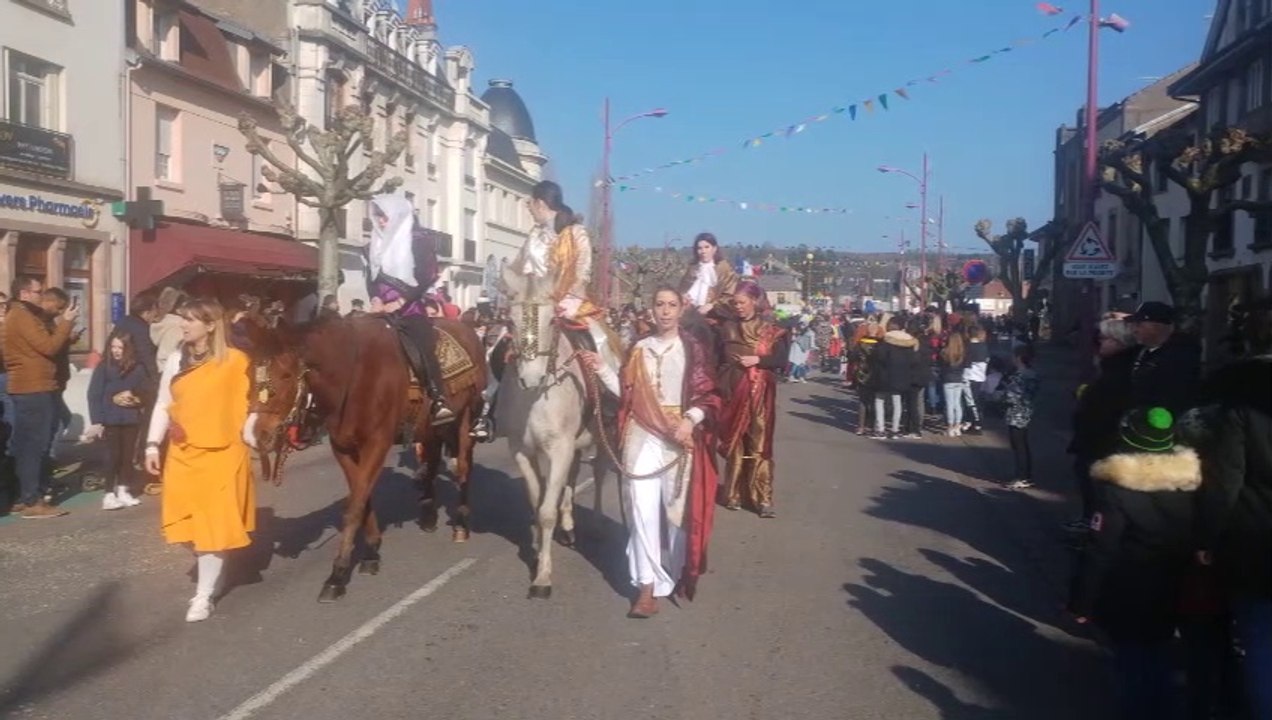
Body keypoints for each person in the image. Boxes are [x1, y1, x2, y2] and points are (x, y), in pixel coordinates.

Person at [581, 287, 722, 617]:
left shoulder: (692, 348)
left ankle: (670, 575)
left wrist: (690, 420)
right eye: (659, 304)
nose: (665, 311)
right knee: (641, 512)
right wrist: (602, 368)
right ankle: (646, 588)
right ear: (651, 309)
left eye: (672, 305)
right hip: (641, 435)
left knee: (676, 516)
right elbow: (626, 395)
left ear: (681, 309)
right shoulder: (639, 349)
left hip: (678, 437)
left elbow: (710, 396)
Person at [1068, 407, 1202, 720]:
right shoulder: (1190, 483)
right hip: (1174, 583)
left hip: (1129, 588)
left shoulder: (1117, 490)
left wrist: (1081, 602)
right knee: (1160, 651)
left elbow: (1100, 550)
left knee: (1131, 659)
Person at [144, 298, 257, 622]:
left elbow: (254, 402)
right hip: (183, 453)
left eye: (190, 320)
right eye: (183, 319)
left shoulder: (236, 360)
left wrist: (250, 427)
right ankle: (213, 564)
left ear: (211, 325)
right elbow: (163, 403)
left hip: (223, 454)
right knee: (187, 526)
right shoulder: (178, 359)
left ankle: (203, 595)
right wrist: (152, 445)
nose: (183, 325)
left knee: (212, 526)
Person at [1196, 297, 1272, 719]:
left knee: (1260, 639)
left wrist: (1206, 538)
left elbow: (1226, 479)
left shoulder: (1236, 390)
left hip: (1256, 538)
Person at [366, 192, 456, 427]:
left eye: (384, 216)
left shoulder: (418, 240)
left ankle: (438, 398)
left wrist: (400, 301)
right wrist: (375, 298)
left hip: (410, 307)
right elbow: (371, 278)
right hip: (381, 309)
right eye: (377, 217)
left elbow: (426, 276)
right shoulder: (373, 244)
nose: (380, 222)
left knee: (422, 345)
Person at [514, 181, 617, 369]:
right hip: (534, 308)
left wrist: (566, 301)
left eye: (531, 204)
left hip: (569, 304)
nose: (529, 208)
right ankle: (496, 392)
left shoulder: (577, 233)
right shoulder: (533, 236)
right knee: (504, 345)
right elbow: (523, 272)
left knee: (599, 340)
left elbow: (582, 271)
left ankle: (608, 388)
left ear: (540, 203)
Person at [3, 276, 77, 518]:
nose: (41, 295)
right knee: (34, 445)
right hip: (32, 388)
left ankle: (25, 495)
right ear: (24, 293)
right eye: (37, 291)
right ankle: (32, 500)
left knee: (27, 445)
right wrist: (66, 323)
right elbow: (48, 347)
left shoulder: (21, 315)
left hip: (31, 386)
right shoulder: (22, 316)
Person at [717, 280, 788, 518]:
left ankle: (761, 497)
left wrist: (758, 360)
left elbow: (781, 359)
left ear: (755, 302)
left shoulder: (770, 330)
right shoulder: (726, 327)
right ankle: (734, 493)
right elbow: (717, 358)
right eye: (735, 303)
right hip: (732, 390)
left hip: (760, 393)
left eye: (742, 302)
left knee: (758, 443)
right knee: (736, 442)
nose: (738, 307)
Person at [85, 330, 152, 510]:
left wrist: (135, 396)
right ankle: (108, 493)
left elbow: (147, 391)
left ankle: (123, 489)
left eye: (120, 347)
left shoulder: (138, 368)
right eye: (113, 346)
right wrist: (97, 420)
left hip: (130, 418)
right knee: (112, 456)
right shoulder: (104, 367)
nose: (116, 351)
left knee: (127, 456)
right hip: (110, 419)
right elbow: (94, 394)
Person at [1001, 345, 1040, 489]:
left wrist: (1004, 392)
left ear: (1018, 358)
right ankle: (1025, 475)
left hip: (1016, 413)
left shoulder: (1019, 375)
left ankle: (1022, 476)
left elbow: (1011, 396)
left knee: (1018, 445)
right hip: (1027, 411)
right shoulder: (1032, 373)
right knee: (1022, 444)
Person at [939, 329, 969, 436]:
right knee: (957, 404)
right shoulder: (963, 354)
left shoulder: (944, 352)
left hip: (948, 380)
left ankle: (950, 427)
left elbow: (941, 367)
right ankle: (957, 426)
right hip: (959, 379)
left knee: (949, 404)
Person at [151, 287, 188, 369]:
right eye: (187, 305)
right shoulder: (178, 326)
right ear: (178, 309)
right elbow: (165, 356)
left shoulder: (160, 325)